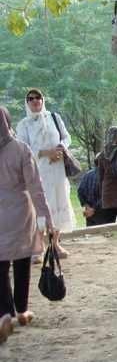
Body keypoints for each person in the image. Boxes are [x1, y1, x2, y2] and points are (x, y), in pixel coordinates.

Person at [0, 106, 58, 344]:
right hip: (20, 213)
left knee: (0, 266)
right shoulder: (21, 149)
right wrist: (47, 219)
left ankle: (5, 313)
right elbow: (36, 187)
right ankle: (22, 311)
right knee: (22, 261)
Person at [14, 89, 74, 256]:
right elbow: (23, 149)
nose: (35, 101)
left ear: (43, 99)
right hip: (38, 172)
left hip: (58, 170)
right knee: (40, 206)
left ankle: (55, 245)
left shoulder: (54, 117)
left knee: (60, 202)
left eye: (38, 97)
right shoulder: (24, 125)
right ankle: (37, 248)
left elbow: (67, 137)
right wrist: (46, 153)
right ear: (27, 102)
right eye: (31, 98)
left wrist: (60, 148)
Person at [77, 154, 103, 226]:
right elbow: (106, 195)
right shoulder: (106, 175)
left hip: (89, 212)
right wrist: (93, 209)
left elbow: (80, 192)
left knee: (91, 232)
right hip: (101, 212)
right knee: (104, 232)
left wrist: (87, 207)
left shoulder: (87, 175)